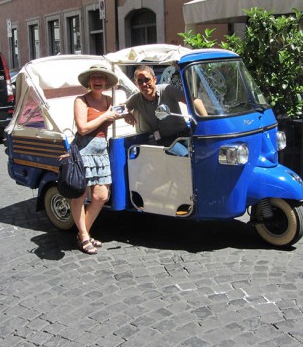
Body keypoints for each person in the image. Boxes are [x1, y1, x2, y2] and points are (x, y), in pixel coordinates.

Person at [60, 64, 122, 254]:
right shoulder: (81, 100)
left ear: (105, 82)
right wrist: (106, 116)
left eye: (101, 78)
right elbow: (83, 128)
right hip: (82, 152)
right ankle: (85, 237)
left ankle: (82, 234)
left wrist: (126, 117)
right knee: (79, 194)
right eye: (94, 77)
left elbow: (111, 119)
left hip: (101, 152)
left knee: (101, 196)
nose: (97, 80)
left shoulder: (110, 100)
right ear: (88, 81)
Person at [125, 65, 207, 156]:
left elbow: (195, 101)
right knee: (187, 157)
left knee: (202, 154)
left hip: (184, 135)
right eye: (140, 81)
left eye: (147, 79)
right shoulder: (136, 99)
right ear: (136, 83)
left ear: (154, 79)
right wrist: (126, 113)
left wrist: (207, 124)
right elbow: (120, 108)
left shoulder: (167, 90)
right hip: (165, 140)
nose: (144, 84)